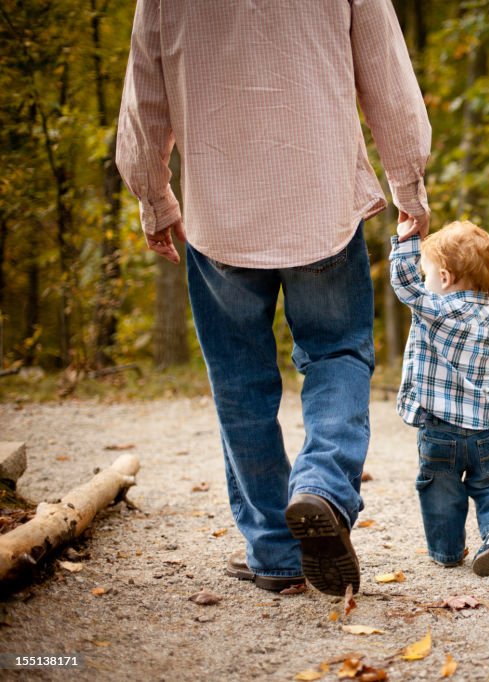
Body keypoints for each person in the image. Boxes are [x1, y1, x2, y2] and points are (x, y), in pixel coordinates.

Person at [115, 0, 431, 596]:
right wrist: (408, 183)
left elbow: (145, 95)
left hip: (219, 210)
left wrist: (153, 197)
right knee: (337, 352)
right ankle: (324, 489)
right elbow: (387, 74)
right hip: (322, 200)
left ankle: (275, 552)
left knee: (240, 382)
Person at [389, 218, 489, 576]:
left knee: (440, 490)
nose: (425, 282)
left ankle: (447, 552)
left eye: (428, 274)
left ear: (444, 278)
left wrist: (404, 243)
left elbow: (405, 287)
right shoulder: (486, 315)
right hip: (487, 430)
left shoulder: (438, 309)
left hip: (441, 430)